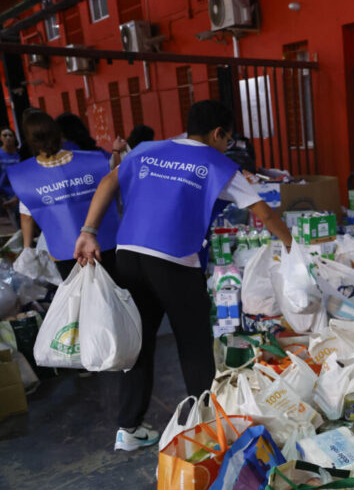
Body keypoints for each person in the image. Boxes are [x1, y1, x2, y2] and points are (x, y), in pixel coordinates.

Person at [74, 100, 293, 452]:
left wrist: (88, 231)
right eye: (228, 139)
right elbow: (263, 212)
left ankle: (129, 428)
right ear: (219, 134)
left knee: (139, 341)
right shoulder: (217, 163)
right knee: (193, 342)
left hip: (129, 253)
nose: (226, 147)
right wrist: (293, 247)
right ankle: (205, 428)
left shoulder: (148, 150)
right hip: (173, 260)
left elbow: (109, 181)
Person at [5, 111, 119, 278]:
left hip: (65, 250)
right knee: (115, 290)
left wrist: (28, 248)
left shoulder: (25, 176)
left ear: (30, 140)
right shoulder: (95, 160)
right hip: (105, 241)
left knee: (77, 297)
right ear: (57, 133)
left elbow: (26, 216)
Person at [0, 128, 21, 225]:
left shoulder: (19, 155)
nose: (8, 138)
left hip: (17, 192)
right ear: (1, 138)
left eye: (10, 135)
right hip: (3, 192)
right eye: (5, 135)